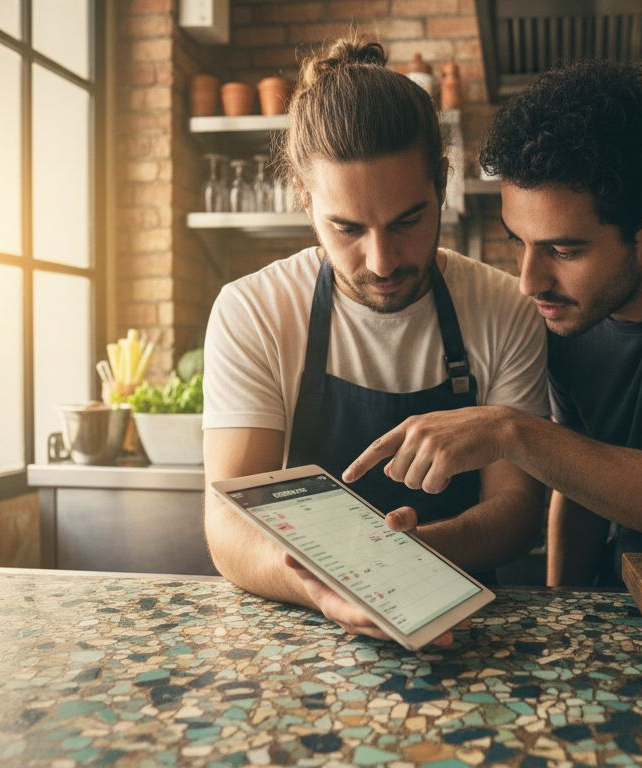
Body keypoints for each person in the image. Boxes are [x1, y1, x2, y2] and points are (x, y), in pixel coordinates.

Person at [345, 59, 642, 587]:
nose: (529, 282)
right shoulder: (571, 315)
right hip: (623, 611)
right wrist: (561, 611)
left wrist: (512, 430)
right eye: (519, 241)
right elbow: (577, 485)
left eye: (563, 249)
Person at [201, 38, 548, 640]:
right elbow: (230, 528)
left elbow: (516, 509)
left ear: (441, 182)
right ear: (304, 201)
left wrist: (415, 555)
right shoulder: (254, 310)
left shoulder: (502, 307)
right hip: (305, 630)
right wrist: (328, 590)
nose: (382, 261)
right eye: (347, 228)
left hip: (468, 625)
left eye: (407, 220)